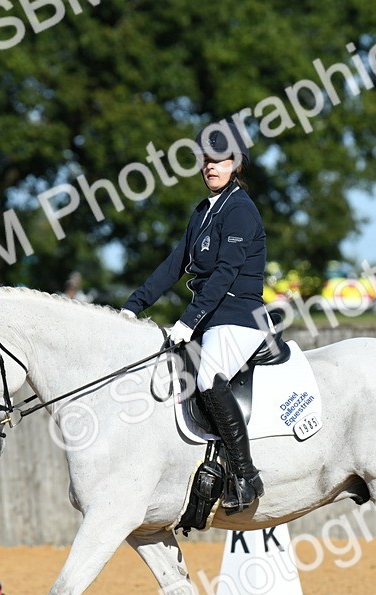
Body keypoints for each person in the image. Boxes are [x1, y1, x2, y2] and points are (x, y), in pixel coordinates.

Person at [120, 125, 268, 512]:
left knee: (207, 378)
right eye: (205, 160)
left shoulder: (239, 210)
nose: (210, 166)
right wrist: (131, 307)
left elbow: (225, 272)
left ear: (236, 164)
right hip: (210, 318)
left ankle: (246, 475)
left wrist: (188, 320)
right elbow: (173, 266)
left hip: (239, 317)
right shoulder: (204, 211)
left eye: (220, 160)